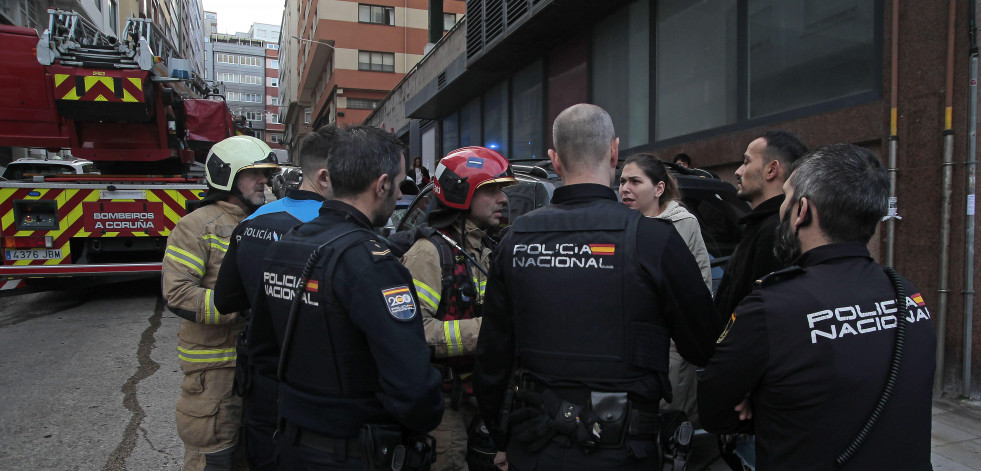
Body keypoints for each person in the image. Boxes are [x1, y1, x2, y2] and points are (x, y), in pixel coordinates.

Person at [474, 104, 719, 471]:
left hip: (536, 449)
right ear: (614, 152)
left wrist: (501, 437)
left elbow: (492, 359)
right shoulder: (655, 240)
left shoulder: (514, 241)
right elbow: (703, 345)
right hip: (624, 452)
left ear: (555, 161)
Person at [697, 143, 936, 470]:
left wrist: (761, 400)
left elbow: (714, 409)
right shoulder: (908, 294)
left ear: (803, 211)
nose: (781, 209)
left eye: (786, 197)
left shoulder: (772, 306)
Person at [253, 125, 444, 469]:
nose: (400, 192)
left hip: (292, 445)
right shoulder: (373, 265)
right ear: (382, 184)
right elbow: (412, 387)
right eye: (399, 184)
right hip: (354, 451)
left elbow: (262, 353)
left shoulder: (285, 247)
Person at [212, 125, 337, 470]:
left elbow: (225, 300)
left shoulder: (252, 221)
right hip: (317, 386)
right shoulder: (337, 230)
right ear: (327, 175)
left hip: (262, 381)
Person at [161, 135, 279, 470]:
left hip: (257, 371)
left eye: (266, 173)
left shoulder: (265, 221)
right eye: (254, 173)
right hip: (214, 376)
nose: (264, 181)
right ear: (226, 174)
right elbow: (178, 293)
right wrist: (240, 306)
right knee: (214, 460)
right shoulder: (197, 226)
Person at [401, 146, 517, 471]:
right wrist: (489, 330)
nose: (503, 199)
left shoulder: (484, 248)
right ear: (460, 192)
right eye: (491, 190)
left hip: (480, 398)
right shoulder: (428, 254)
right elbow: (413, 331)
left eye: (502, 190)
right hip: (443, 407)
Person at [619, 152, 711, 428]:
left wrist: (679, 341)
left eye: (635, 181)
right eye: (622, 181)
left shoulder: (684, 223)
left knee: (671, 425)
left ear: (659, 188)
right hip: (627, 348)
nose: (625, 188)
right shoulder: (617, 224)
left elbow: (700, 286)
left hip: (672, 350)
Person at [715, 130, 807, 323]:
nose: (738, 171)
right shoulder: (760, 225)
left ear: (771, 169)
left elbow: (762, 316)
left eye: (746, 161)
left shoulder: (775, 231)